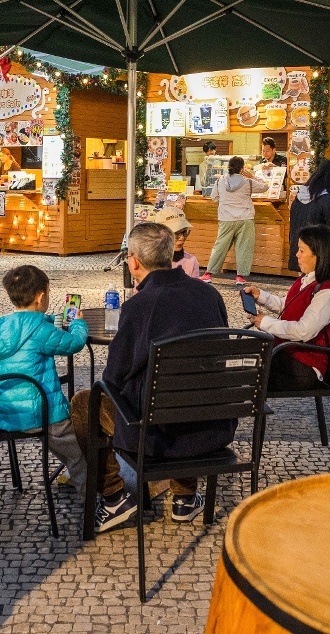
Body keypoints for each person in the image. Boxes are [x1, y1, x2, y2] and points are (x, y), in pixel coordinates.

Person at [70, 222, 231, 531]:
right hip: (210, 425)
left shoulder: (139, 306)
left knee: (84, 403)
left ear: (133, 261)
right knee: (184, 388)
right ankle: (185, 497)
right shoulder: (210, 295)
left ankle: (114, 497)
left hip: (158, 433)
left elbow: (113, 377)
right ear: (170, 254)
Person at [0, 265, 90, 498]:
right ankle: (93, 498)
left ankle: (73, 473)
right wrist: (78, 324)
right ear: (41, 297)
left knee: (62, 439)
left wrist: (48, 320)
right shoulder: (40, 330)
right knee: (80, 447)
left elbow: (27, 326)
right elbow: (73, 343)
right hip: (34, 414)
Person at [245, 225, 330, 390]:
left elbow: (303, 331)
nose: (297, 254)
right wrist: (261, 296)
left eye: (302, 250)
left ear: (319, 255)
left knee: (243, 371)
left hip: (305, 366)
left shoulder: (329, 292)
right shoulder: (307, 280)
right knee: (240, 358)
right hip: (286, 353)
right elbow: (288, 306)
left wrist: (266, 323)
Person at [200, 156, 267, 285]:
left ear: (228, 167)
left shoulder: (220, 180)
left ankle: (208, 274)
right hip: (245, 218)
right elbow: (265, 187)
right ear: (242, 169)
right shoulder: (248, 182)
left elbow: (214, 197)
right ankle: (240, 277)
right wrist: (252, 176)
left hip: (226, 218)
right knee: (244, 247)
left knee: (220, 246)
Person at [290, 159, 330, 274]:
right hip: (323, 262)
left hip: (304, 258)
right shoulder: (328, 201)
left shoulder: (299, 199)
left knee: (307, 284)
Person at [154, 207, 200, 278]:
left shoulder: (191, 261)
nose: (182, 238)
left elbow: (194, 285)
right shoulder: (147, 261)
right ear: (158, 233)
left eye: (184, 232)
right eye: (175, 233)